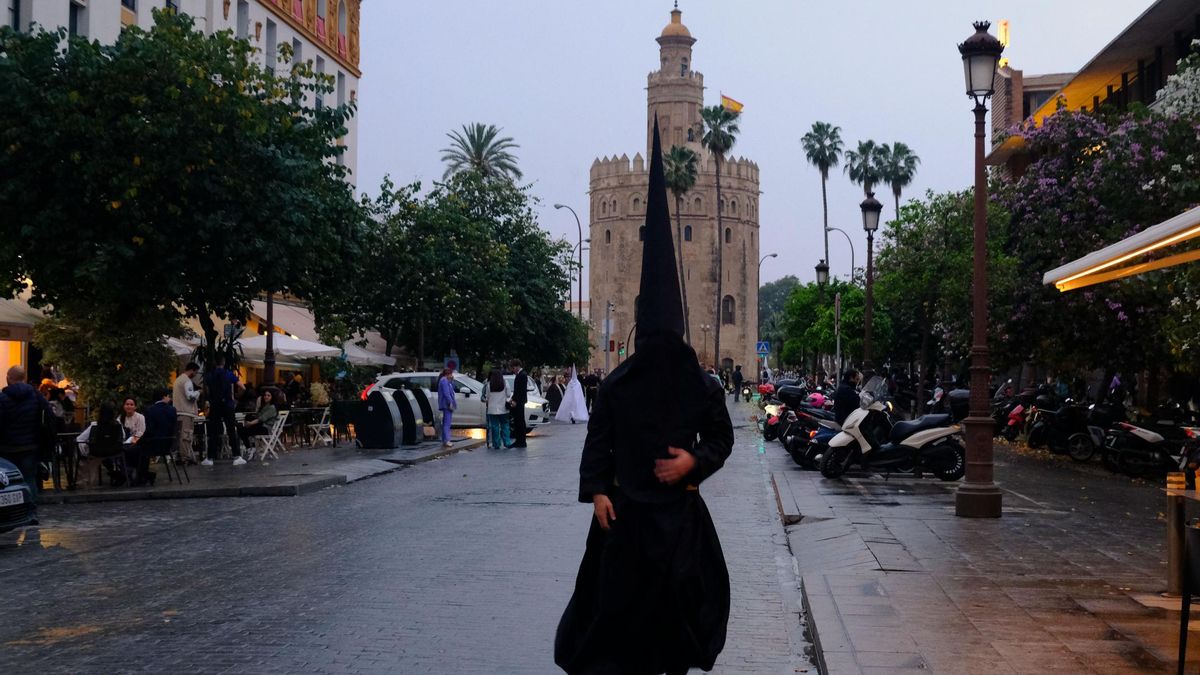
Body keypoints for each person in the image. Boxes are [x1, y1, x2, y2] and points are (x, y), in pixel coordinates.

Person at [556, 120, 733, 675]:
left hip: (677, 522)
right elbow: (598, 444)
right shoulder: (615, 386)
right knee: (617, 620)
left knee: (679, 616)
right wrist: (597, 493)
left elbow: (722, 439)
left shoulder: (700, 385)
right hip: (625, 520)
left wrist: (693, 461)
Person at [0, 365, 52, 521]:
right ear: (23, 377)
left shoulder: (2, 398)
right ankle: (31, 512)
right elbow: (48, 417)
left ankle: (10, 513)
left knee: (7, 482)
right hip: (30, 446)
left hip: (7, 448)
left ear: (9, 378)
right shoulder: (36, 396)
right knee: (29, 479)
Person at [203, 357, 245, 466]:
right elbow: (242, 387)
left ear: (214, 363)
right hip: (227, 405)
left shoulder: (209, 375)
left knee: (214, 431)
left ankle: (210, 458)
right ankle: (236, 456)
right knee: (231, 430)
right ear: (224, 362)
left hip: (215, 405)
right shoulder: (228, 374)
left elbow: (206, 390)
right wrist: (236, 397)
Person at [137, 388, 176, 487]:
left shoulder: (150, 410)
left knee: (138, 448)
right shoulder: (172, 410)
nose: (169, 398)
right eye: (168, 396)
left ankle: (142, 476)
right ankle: (144, 475)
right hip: (168, 444)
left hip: (154, 444)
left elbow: (149, 430)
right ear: (164, 397)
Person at [173, 362, 201, 464]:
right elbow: (190, 396)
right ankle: (185, 457)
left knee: (180, 435)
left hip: (178, 411)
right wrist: (198, 392)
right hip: (186, 412)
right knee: (186, 435)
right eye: (196, 372)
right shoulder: (187, 381)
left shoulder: (178, 379)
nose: (195, 374)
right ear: (192, 370)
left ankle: (181, 456)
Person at [484, 369, 513, 449]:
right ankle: (507, 442)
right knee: (505, 425)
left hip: (492, 409)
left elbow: (487, 397)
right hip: (503, 408)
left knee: (494, 426)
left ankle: (496, 444)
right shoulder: (505, 383)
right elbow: (509, 394)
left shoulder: (489, 384)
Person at [510, 359, 529, 448]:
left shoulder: (522, 375)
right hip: (520, 401)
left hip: (519, 402)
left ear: (517, 366)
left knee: (519, 421)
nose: (513, 370)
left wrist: (515, 401)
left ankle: (521, 441)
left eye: (513, 368)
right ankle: (520, 440)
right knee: (518, 421)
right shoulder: (521, 375)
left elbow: (520, 391)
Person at [437, 368, 456, 448]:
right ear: (448, 374)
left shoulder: (445, 380)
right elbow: (446, 393)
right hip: (446, 404)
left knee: (446, 422)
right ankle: (447, 440)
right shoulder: (444, 381)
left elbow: (451, 389)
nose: (452, 375)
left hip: (446, 404)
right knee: (447, 423)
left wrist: (452, 381)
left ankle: (445, 440)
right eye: (451, 374)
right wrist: (450, 402)